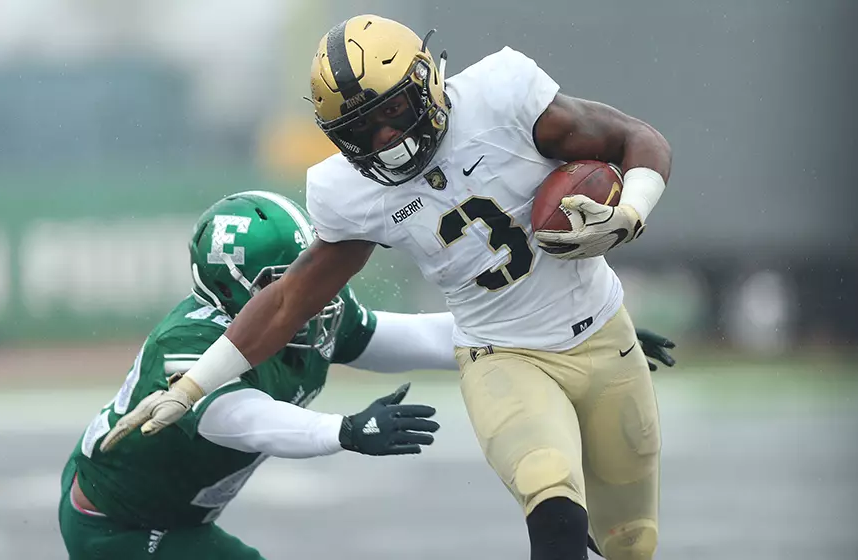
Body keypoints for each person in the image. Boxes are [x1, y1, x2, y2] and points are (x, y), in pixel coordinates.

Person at [102, 14, 674, 560]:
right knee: (552, 503)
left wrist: (631, 211)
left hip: (602, 330)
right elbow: (288, 300)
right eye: (361, 130)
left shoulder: (503, 96)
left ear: (425, 81)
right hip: (502, 354)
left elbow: (637, 139)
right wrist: (194, 385)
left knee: (631, 540)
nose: (386, 138)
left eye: (394, 110)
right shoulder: (348, 190)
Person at [61, 191, 450, 559]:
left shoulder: (316, 310)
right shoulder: (188, 341)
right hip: (118, 525)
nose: (306, 293)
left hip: (179, 519)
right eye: (281, 282)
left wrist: (495, 338)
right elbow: (242, 419)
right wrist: (343, 430)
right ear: (230, 291)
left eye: (307, 273)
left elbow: (406, 337)